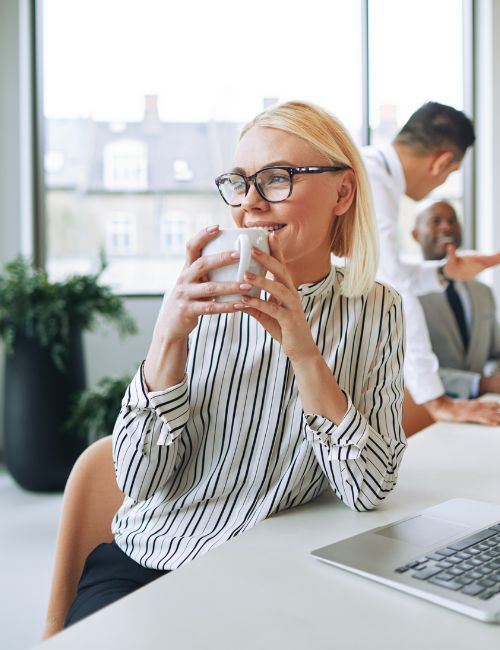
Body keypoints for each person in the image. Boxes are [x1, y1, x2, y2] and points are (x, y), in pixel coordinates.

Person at [64, 100, 406, 626]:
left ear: (342, 192)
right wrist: (167, 340)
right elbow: (139, 479)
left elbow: (368, 490)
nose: (249, 203)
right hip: (151, 564)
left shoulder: (377, 311)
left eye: (276, 179)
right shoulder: (205, 298)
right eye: (239, 182)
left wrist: (303, 351)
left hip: (270, 575)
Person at [363, 101, 500, 425]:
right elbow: (393, 289)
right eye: (451, 174)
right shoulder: (373, 180)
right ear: (442, 162)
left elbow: (381, 270)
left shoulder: (373, 170)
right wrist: (438, 401)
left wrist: (444, 271)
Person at [413, 199, 500, 399]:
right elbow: (406, 368)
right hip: (427, 413)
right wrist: (480, 384)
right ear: (416, 234)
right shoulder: (404, 295)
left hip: (485, 409)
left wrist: (493, 378)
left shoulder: (483, 292)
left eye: (453, 221)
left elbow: (496, 352)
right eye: (436, 221)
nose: (447, 226)